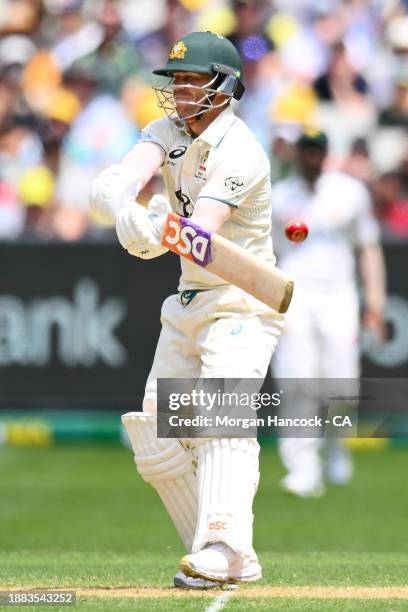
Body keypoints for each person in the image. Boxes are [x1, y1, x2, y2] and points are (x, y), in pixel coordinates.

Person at [89, 31, 284, 588]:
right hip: (190, 301)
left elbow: (199, 234)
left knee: (222, 413)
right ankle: (220, 554)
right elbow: (111, 186)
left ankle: (222, 543)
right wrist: (122, 205)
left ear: (224, 88)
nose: (179, 92)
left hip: (242, 303)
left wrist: (150, 232)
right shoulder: (165, 131)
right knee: (156, 433)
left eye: (193, 81)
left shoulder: (242, 152)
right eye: (175, 81)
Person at [270, 129, 386, 498]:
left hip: (339, 295)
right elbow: (267, 257)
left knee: (341, 382)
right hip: (295, 297)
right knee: (297, 378)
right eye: (306, 151)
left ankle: (335, 445)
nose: (312, 158)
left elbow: (368, 248)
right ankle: (302, 467)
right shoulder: (281, 196)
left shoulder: (349, 193)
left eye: (318, 151)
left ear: (326, 153)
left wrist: (375, 304)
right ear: (298, 154)